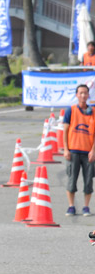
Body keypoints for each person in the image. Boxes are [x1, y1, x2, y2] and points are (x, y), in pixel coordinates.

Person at [62, 84, 95, 216]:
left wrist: (93, 150)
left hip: (88, 153)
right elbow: (65, 131)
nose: (83, 95)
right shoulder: (70, 110)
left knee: (88, 180)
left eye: (85, 93)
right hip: (73, 151)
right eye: (80, 93)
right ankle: (71, 206)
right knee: (72, 179)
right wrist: (66, 149)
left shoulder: (93, 112)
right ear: (76, 95)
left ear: (88, 95)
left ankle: (86, 207)